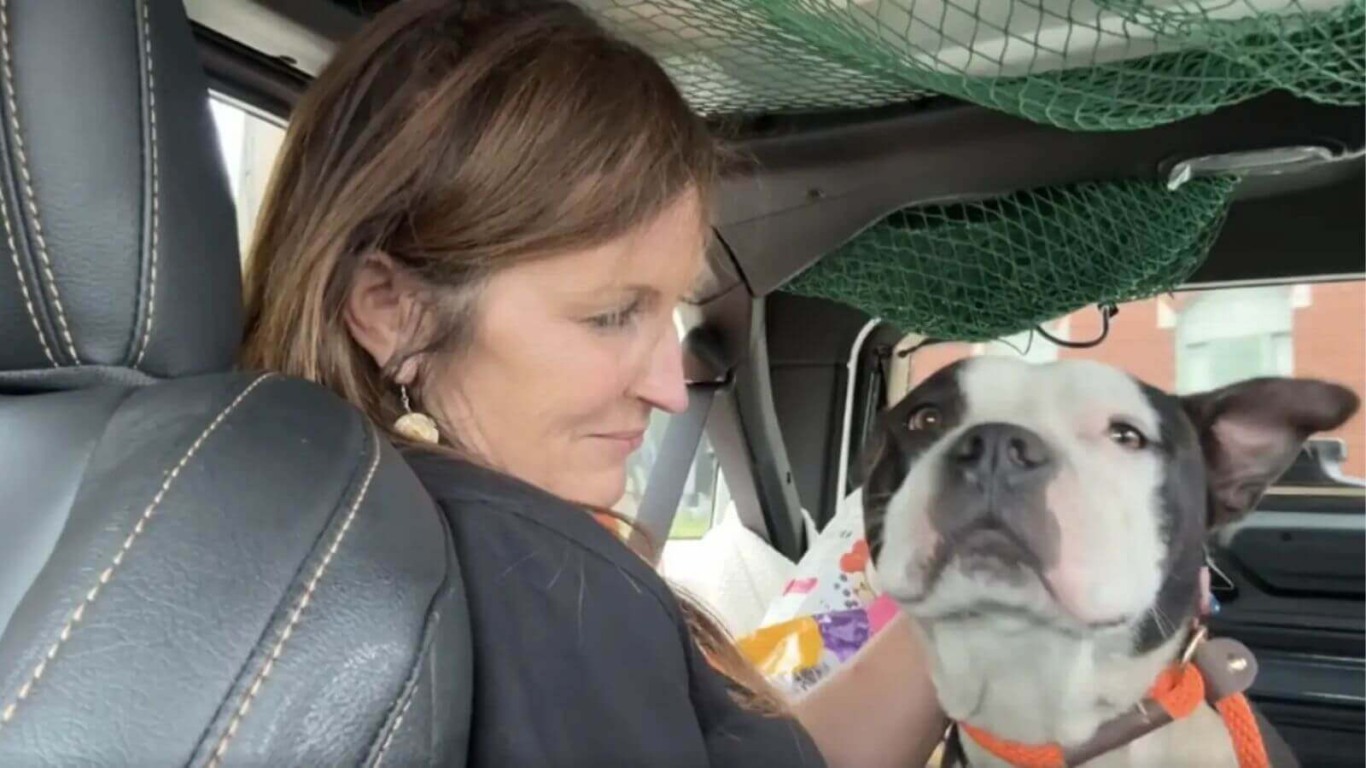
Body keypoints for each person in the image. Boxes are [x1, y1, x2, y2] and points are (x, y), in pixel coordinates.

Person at [239, 1, 945, 765]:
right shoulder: (532, 575)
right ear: (391, 310)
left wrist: (967, 617)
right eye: (611, 315)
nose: (673, 391)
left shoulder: (301, 523)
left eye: (667, 312)